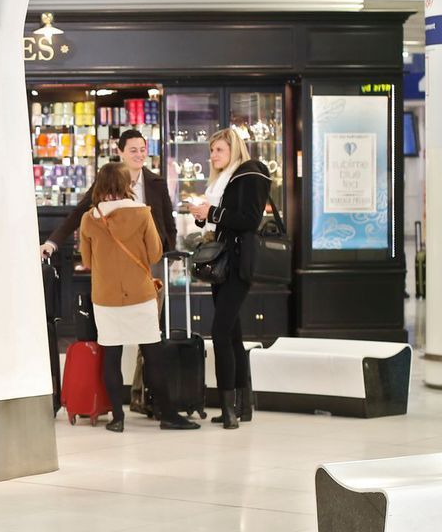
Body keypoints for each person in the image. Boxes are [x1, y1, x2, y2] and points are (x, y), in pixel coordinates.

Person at [188, 128, 270, 431]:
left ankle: (229, 409)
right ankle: (241, 405)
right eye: (212, 151)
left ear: (233, 149)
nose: (213, 156)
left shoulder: (250, 174)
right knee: (232, 335)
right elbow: (223, 216)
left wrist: (213, 212)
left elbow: (248, 220)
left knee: (220, 333)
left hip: (237, 264)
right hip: (223, 264)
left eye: (219, 150)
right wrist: (203, 215)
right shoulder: (225, 180)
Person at [78, 163, 162, 433]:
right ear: (128, 184)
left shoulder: (90, 219)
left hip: (106, 297)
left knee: (111, 358)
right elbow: (155, 254)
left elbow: (87, 261)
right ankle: (165, 411)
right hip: (140, 294)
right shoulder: (141, 213)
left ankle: (117, 418)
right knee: (152, 354)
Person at [41, 128, 175, 258]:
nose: (139, 155)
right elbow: (79, 212)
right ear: (120, 152)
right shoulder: (107, 180)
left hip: (151, 256)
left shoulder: (157, 183)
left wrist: (170, 255)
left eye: (142, 150)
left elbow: (169, 223)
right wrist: (51, 243)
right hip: (116, 257)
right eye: (133, 151)